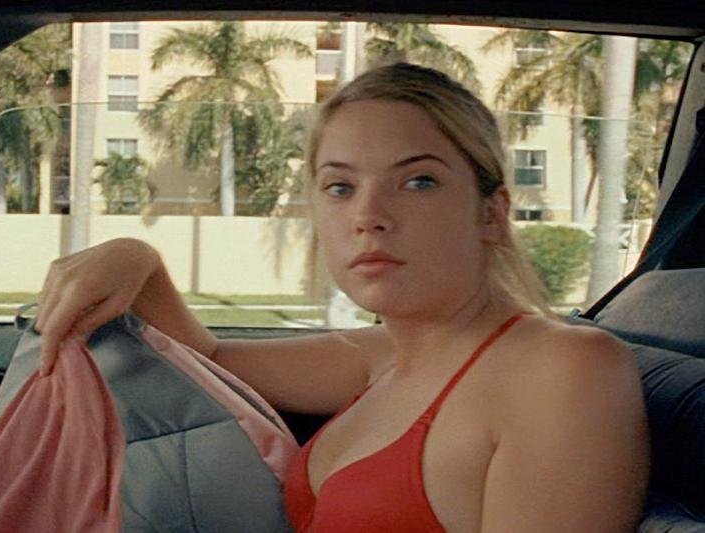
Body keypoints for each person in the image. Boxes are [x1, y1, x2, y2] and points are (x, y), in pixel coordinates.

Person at [33, 62, 650, 532]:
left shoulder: (564, 367)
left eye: (419, 181)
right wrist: (138, 259)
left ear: (491, 213)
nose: (368, 215)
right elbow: (207, 361)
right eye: (340, 187)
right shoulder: (380, 357)